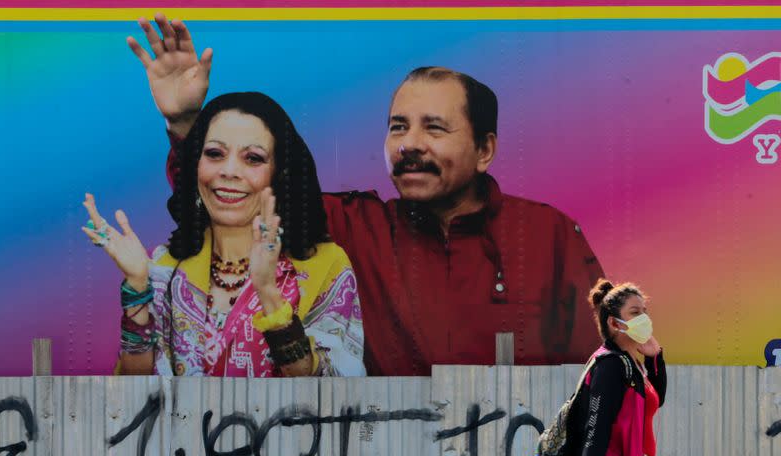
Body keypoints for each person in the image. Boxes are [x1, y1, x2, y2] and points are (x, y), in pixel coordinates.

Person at [129, 14, 604, 376]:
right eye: (398, 127)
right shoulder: (357, 228)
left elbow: (608, 374)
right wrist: (185, 125)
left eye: (433, 128)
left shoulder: (546, 235)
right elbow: (238, 195)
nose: (410, 144)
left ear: (484, 149)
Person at [82, 91, 365, 377]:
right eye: (215, 154)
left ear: (280, 174)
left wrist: (268, 293)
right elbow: (135, 394)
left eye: (253, 158)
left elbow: (335, 394)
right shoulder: (165, 268)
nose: (229, 171)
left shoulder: (324, 265)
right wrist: (137, 288)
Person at [562, 279, 668, 456]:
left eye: (645, 311)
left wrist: (655, 358)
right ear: (614, 323)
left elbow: (654, 401)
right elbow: (596, 429)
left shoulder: (627, 362)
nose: (644, 318)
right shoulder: (611, 366)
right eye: (635, 312)